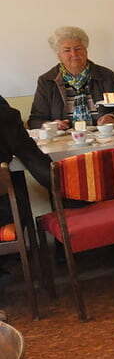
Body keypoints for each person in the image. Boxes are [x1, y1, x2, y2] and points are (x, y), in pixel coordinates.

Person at [1, 95, 52, 318]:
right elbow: (30, 155)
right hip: (4, 214)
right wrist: (61, 184)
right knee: (15, 199)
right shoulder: (3, 113)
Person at [28, 27, 114, 130]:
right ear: (58, 55)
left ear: (86, 50)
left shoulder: (105, 76)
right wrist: (51, 125)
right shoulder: (47, 81)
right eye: (67, 50)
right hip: (64, 141)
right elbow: (35, 120)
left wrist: (112, 118)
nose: (74, 54)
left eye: (78, 48)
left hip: (104, 137)